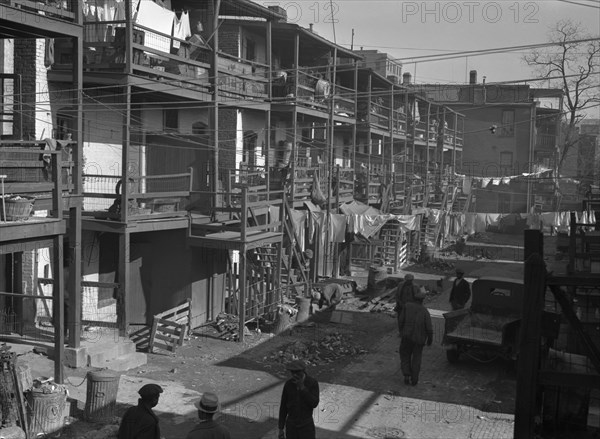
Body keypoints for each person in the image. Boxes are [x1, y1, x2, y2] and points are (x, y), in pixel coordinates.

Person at [397, 288, 433, 386]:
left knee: (405, 354)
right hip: (419, 339)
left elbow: (400, 321)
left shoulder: (407, 306)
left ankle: (406, 375)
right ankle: (415, 379)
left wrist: (401, 331)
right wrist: (430, 339)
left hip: (407, 337)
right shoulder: (424, 311)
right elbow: (429, 328)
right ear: (422, 300)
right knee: (417, 358)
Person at [278, 360, 320, 439]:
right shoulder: (288, 385)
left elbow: (314, 403)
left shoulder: (312, 383)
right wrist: (281, 428)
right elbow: (283, 407)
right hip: (291, 426)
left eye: (297, 372)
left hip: (306, 426)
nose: (294, 375)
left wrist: (302, 388)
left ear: (303, 371)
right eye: (292, 372)